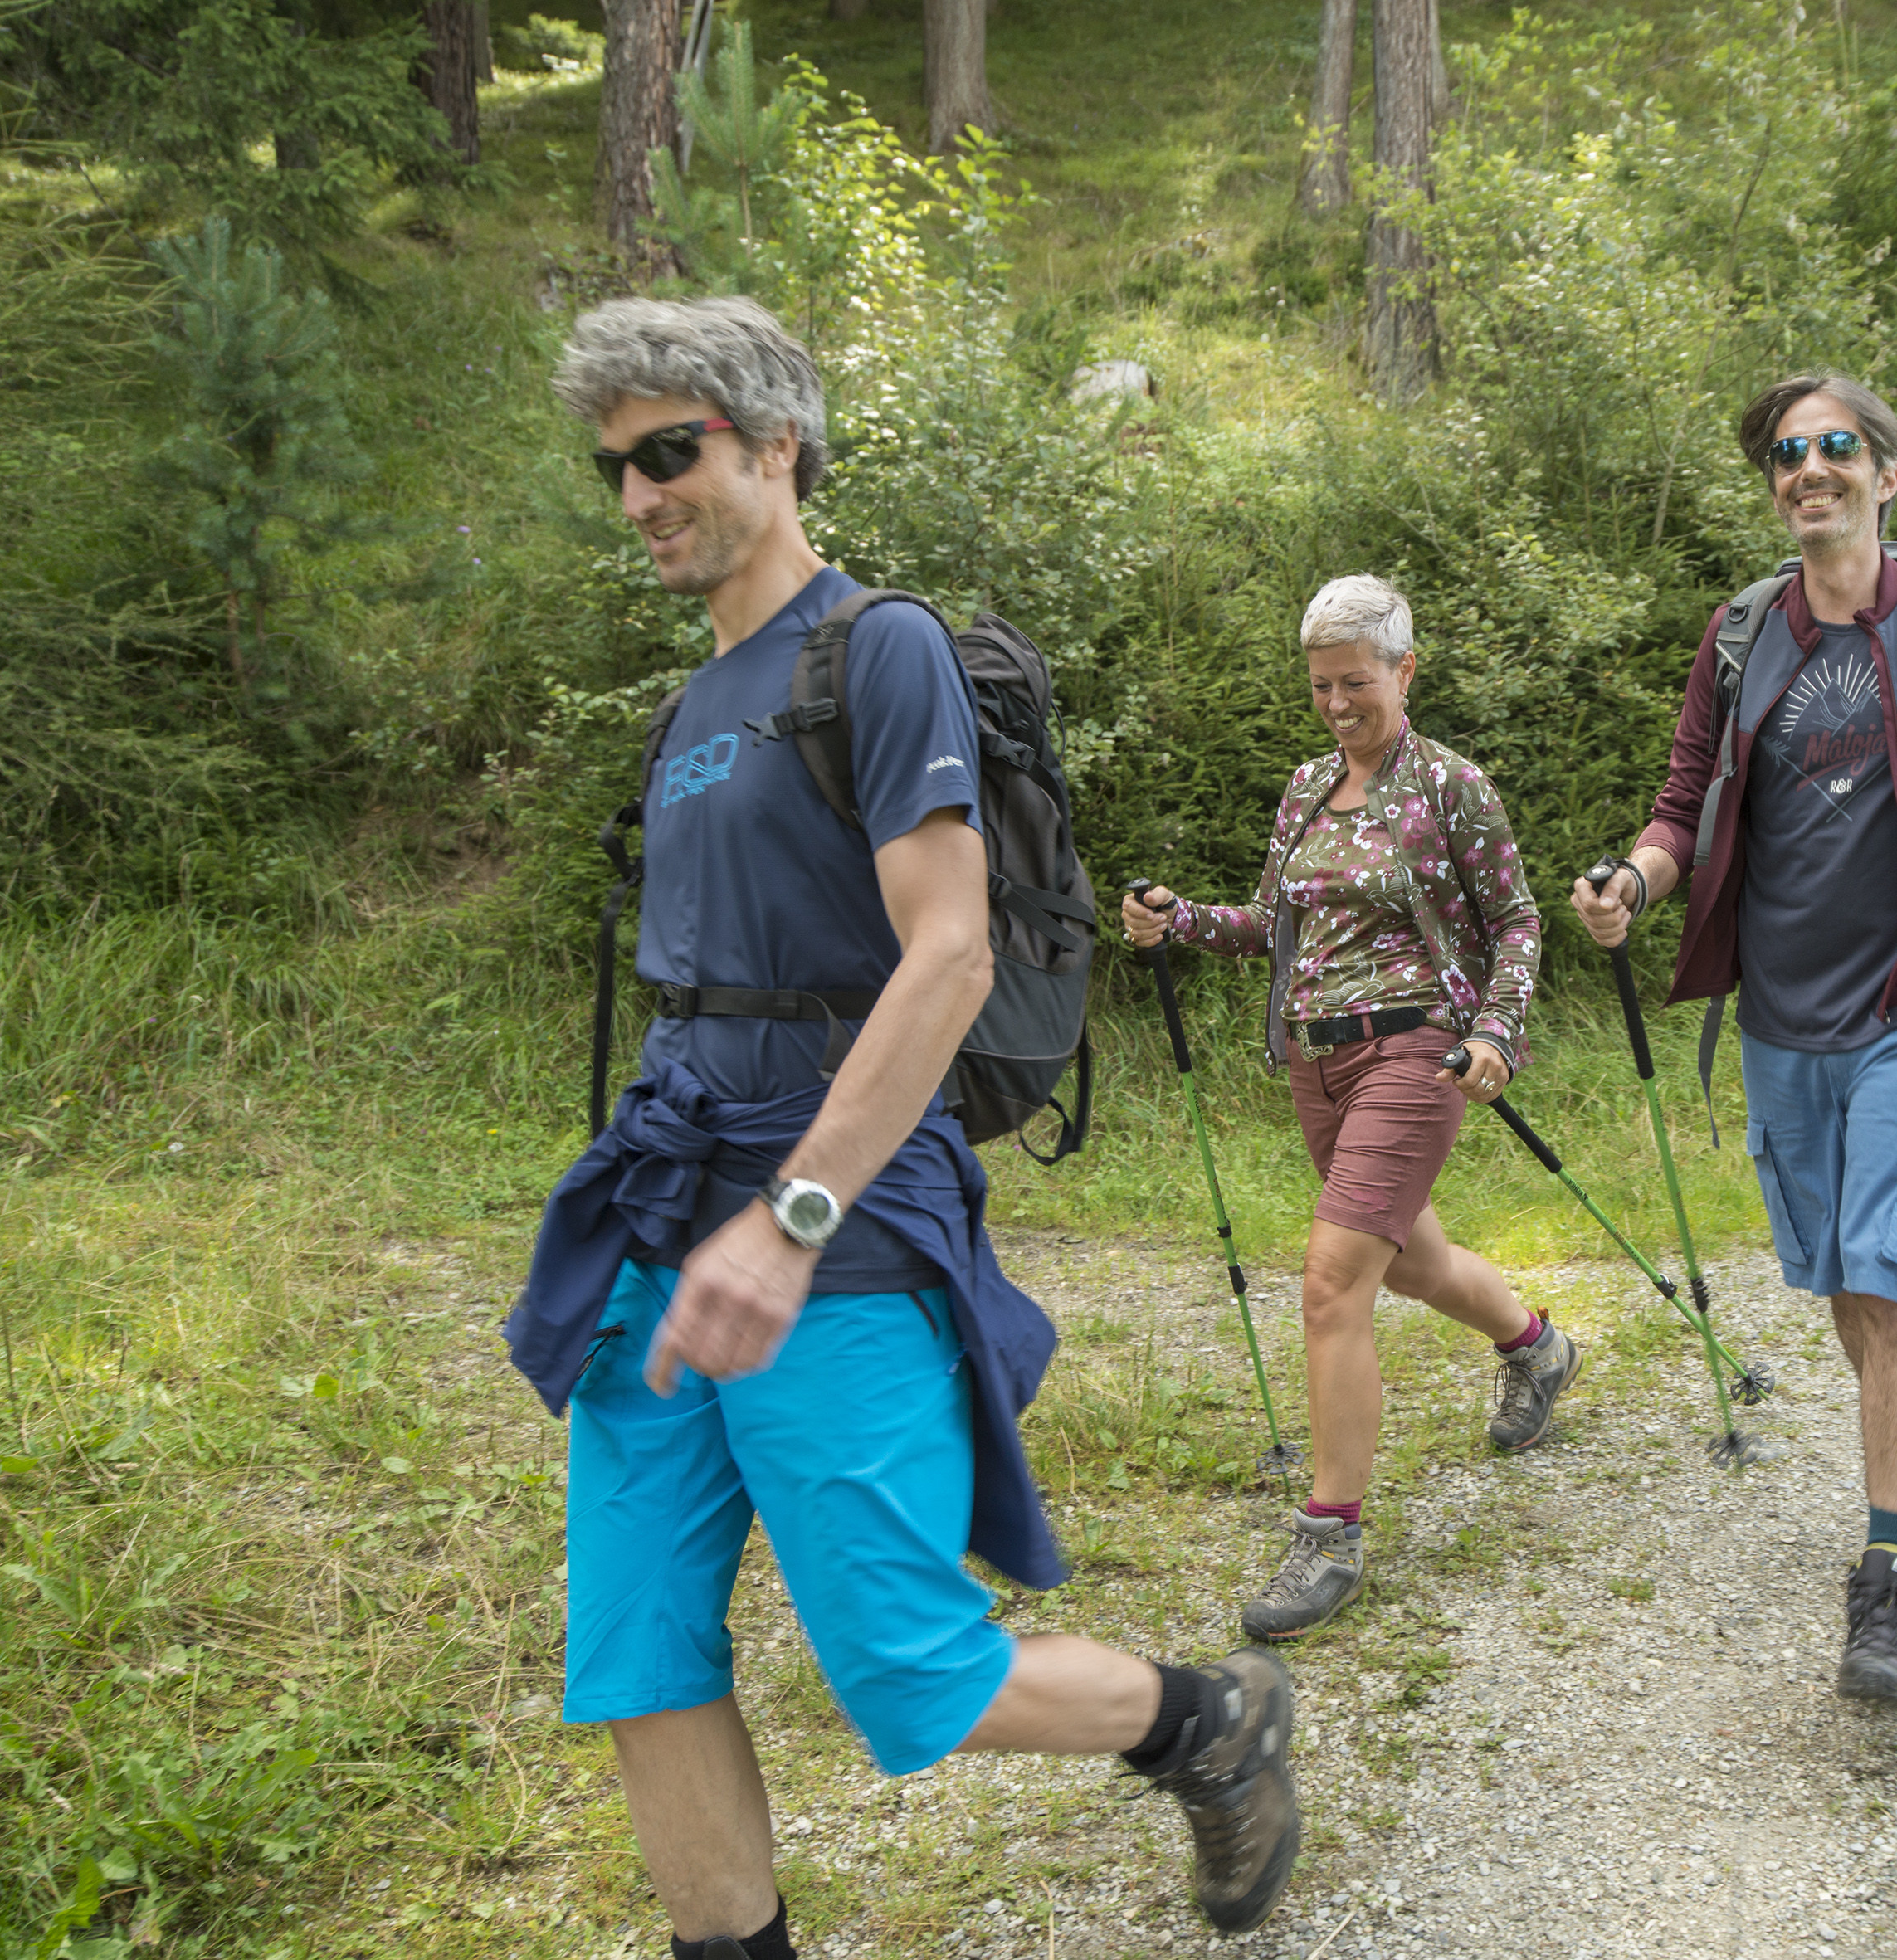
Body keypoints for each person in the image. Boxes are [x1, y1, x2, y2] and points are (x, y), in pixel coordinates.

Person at [504, 296, 1298, 1957]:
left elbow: (948, 951)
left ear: (772, 445)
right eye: (616, 468)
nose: (643, 492)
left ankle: (1199, 1720)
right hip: (665, 1199)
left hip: (833, 1217)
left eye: (674, 450)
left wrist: (788, 1218)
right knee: (637, 1646)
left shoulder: (876, 649)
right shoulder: (692, 702)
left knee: (905, 1666)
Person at [1570, 374, 1897, 1706]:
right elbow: (1682, 796)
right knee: (1842, 1286)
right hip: (1780, 1010)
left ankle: (1886, 1576)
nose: (1807, 468)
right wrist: (1633, 881)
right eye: (1786, 455)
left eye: (1833, 448)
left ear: (1884, 474)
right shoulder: (1743, 632)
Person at [1121, 574, 1571, 1642]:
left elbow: (1514, 918)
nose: (1335, 704)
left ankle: (1330, 1530)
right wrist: (1179, 917)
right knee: (1405, 1258)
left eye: (1354, 682)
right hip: (1311, 1062)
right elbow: (1272, 926)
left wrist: (1495, 1033)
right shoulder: (1304, 788)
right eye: (1320, 685)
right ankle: (1535, 1345)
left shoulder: (1452, 785)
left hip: (1416, 1051)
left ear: (1404, 672)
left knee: (1331, 1282)